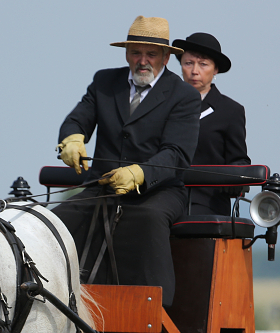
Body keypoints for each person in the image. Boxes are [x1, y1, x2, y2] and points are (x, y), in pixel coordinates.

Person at [52, 16, 200, 306]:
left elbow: (177, 154)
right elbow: (76, 119)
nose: (142, 60)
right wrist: (72, 137)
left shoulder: (184, 96)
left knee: (146, 218)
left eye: (151, 54)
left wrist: (140, 174)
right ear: (126, 53)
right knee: (57, 222)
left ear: (166, 58)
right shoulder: (104, 81)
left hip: (159, 191)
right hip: (102, 186)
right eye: (135, 52)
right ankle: (56, 300)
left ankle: (153, 306)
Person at [171, 32, 250, 215]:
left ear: (215, 70)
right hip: (164, 197)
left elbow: (239, 159)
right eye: (188, 63)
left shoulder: (230, 111)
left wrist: (234, 177)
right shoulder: (164, 105)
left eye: (203, 64)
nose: (194, 71)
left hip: (208, 203)